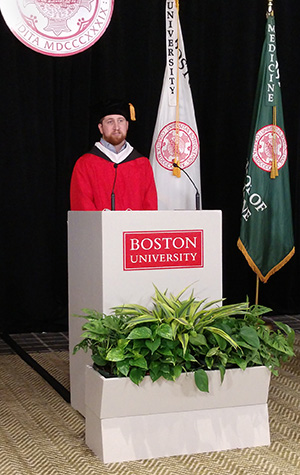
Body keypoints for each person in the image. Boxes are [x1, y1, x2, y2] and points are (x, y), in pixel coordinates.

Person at [70, 100, 157, 211]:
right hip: (99, 228)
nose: (116, 127)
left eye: (120, 121)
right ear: (101, 128)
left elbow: (150, 207)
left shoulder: (142, 164)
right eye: (110, 122)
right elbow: (82, 206)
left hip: (133, 228)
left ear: (127, 125)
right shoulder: (85, 164)